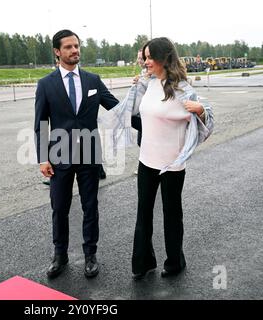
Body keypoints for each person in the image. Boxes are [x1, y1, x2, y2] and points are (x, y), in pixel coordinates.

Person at [34, 29, 119, 278]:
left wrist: (144, 111)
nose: (75, 50)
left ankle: (90, 255)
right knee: (60, 208)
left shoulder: (93, 80)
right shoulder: (46, 84)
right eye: (69, 47)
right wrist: (42, 157)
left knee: (90, 206)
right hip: (59, 156)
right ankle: (60, 256)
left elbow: (116, 107)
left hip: (89, 155)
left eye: (77, 46)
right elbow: (40, 123)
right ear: (57, 52)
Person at [131, 37, 213, 280]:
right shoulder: (149, 84)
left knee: (171, 213)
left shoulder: (183, 89)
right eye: (143, 57)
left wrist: (200, 111)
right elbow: (139, 116)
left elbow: (208, 120)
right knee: (143, 213)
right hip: (146, 161)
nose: (145, 62)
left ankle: (175, 261)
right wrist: (136, 87)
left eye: (148, 57)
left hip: (172, 165)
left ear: (163, 59)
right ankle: (143, 262)